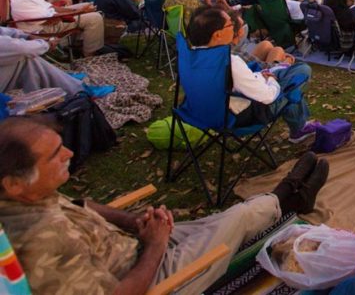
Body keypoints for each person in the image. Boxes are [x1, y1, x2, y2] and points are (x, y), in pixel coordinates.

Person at [0, 118, 329, 295]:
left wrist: (132, 220)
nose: (70, 154)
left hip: (133, 245)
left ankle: (289, 197)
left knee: (222, 218)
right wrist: (155, 245)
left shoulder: (26, 196)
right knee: (238, 219)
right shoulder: (40, 241)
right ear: (15, 182)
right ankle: (287, 195)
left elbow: (81, 204)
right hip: (151, 277)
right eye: (55, 153)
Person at [187, 6, 316, 143]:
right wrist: (271, 78)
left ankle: (300, 125)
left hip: (202, 112)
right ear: (217, 35)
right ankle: (299, 128)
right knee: (300, 72)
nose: (235, 29)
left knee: (283, 74)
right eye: (230, 25)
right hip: (239, 117)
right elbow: (268, 96)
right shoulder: (229, 63)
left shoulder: (191, 57)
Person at [0, 26, 85, 95]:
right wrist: (46, 45)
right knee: (27, 59)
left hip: (43, 24)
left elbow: (4, 31)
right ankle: (75, 90)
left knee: (27, 60)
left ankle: (66, 85)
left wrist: (27, 36)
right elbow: (22, 49)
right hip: (40, 26)